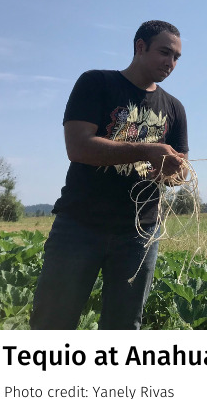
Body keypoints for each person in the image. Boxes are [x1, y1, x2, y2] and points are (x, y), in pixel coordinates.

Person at [30, 20, 188, 330]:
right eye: (164, 52)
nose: (170, 63)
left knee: (124, 327)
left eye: (176, 57)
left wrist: (171, 172)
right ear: (140, 47)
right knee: (52, 322)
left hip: (140, 234)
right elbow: (78, 147)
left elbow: (179, 173)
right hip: (80, 226)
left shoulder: (174, 108)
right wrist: (146, 151)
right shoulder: (96, 83)